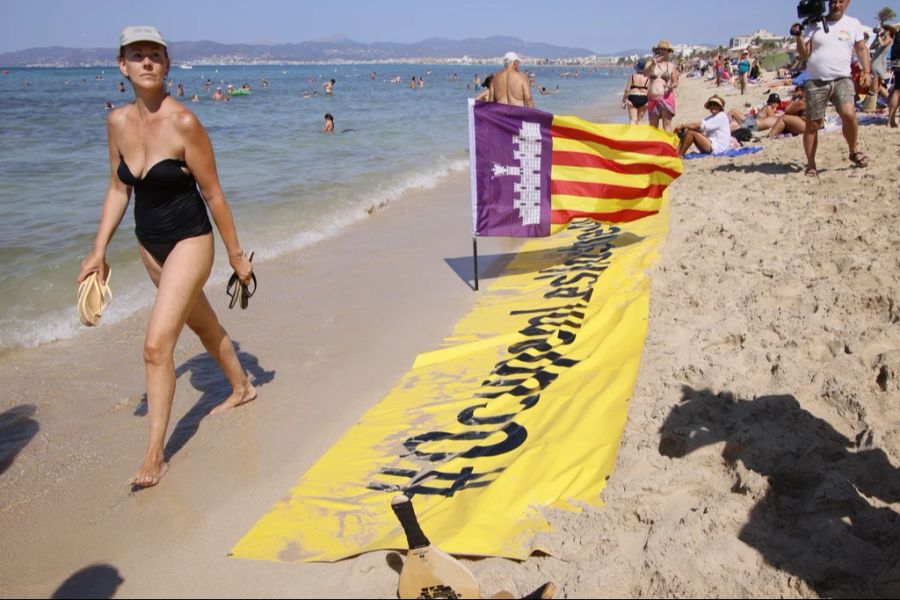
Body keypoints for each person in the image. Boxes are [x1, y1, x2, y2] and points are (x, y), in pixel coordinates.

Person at [77, 26, 256, 489]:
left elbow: (214, 194)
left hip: (191, 240)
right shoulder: (117, 122)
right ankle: (242, 386)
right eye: (137, 56)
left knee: (157, 346)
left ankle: (154, 452)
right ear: (123, 65)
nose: (147, 62)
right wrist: (98, 250)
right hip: (148, 242)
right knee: (200, 323)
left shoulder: (184, 123)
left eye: (155, 54)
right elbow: (119, 188)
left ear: (167, 64)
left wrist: (237, 257)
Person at [792, 0, 871, 176]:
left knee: (849, 114)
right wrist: (798, 36)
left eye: (841, 1)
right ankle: (811, 164)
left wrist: (867, 71)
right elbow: (804, 54)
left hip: (842, 78)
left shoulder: (853, 24)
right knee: (813, 124)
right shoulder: (814, 24)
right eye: (834, 1)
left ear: (848, 3)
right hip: (816, 80)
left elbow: (861, 48)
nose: (837, 5)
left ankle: (853, 150)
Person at [644, 39, 679, 132]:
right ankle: (655, 146)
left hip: (666, 97)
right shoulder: (650, 62)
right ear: (657, 50)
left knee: (666, 124)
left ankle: (667, 146)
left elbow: (675, 81)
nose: (663, 51)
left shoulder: (671, 66)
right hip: (652, 98)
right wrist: (654, 62)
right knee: (653, 127)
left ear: (668, 52)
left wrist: (672, 86)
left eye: (665, 50)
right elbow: (645, 74)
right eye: (661, 49)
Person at [622, 58, 649, 125]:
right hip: (644, 98)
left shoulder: (632, 77)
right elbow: (650, 91)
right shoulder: (648, 78)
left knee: (633, 120)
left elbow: (627, 90)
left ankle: (632, 135)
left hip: (632, 97)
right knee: (639, 120)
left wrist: (623, 101)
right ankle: (638, 135)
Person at [887, 25, 900, 127]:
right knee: (897, 90)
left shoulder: (897, 34)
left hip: (896, 63)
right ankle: (891, 121)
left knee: (897, 89)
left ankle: (890, 120)